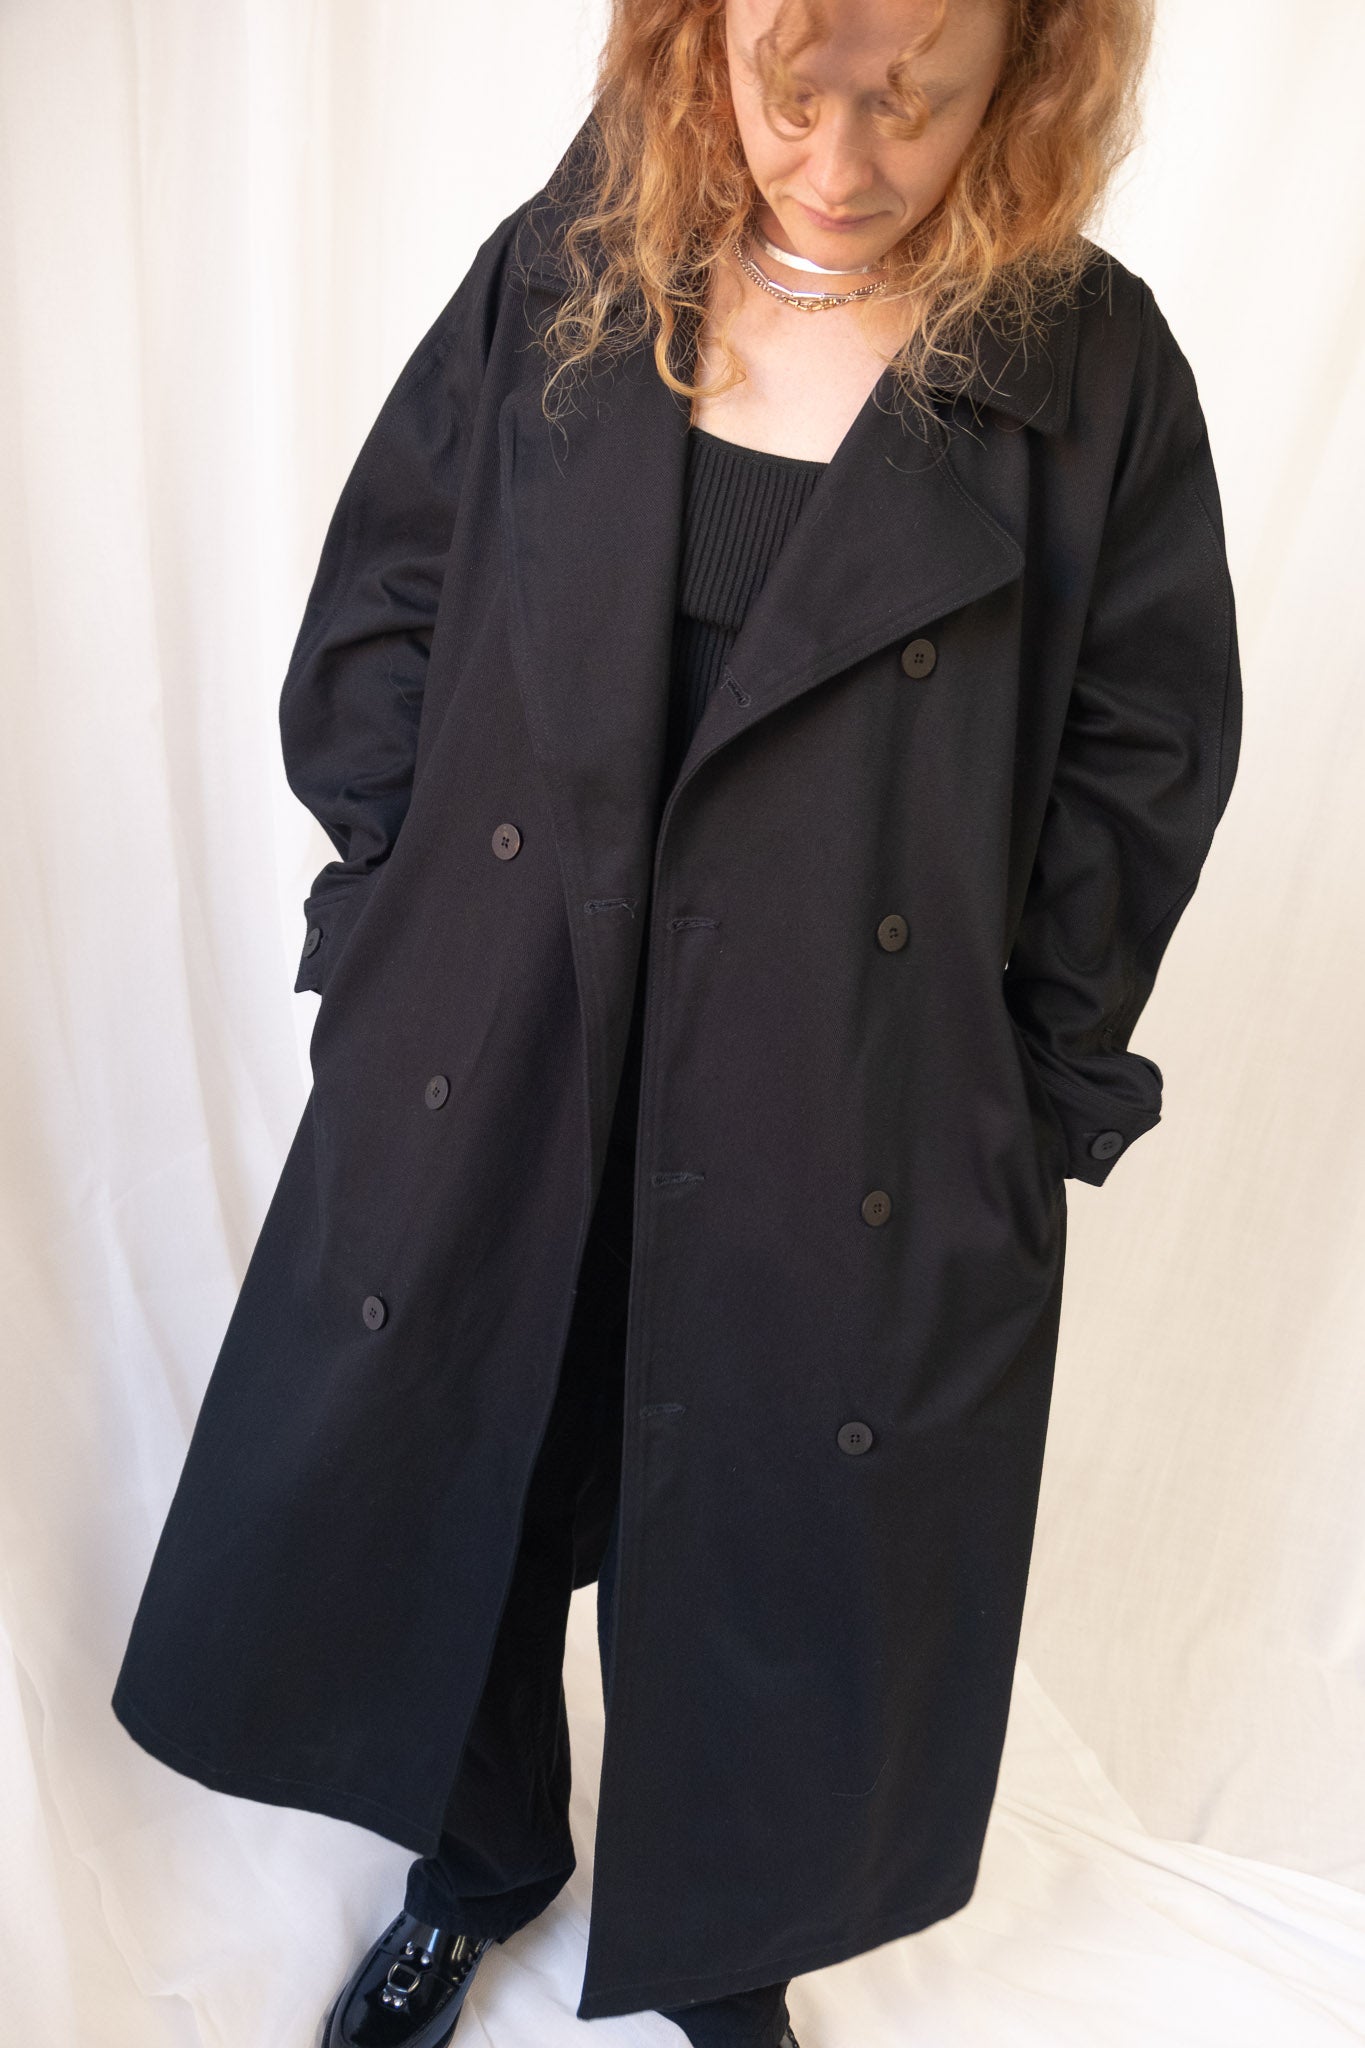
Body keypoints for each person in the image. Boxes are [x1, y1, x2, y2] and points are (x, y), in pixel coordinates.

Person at [111, 1, 1241, 2044]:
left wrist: (1018, 1085)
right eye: (787, 92)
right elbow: (391, 599)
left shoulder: (1084, 368)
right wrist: (385, 926)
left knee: (766, 1537)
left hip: (838, 1079)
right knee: (452, 1464)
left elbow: (1136, 761)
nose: (839, 160)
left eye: (910, 103)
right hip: (508, 1028)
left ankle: (721, 1953)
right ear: (694, 41)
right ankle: (479, 1865)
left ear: (1026, 74)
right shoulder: (575, 265)